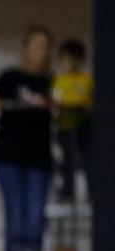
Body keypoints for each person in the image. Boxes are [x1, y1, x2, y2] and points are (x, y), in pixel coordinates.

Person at [0, 26, 54, 251]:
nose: (40, 51)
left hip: (39, 157)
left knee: (36, 211)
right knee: (15, 209)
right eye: (35, 45)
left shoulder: (51, 82)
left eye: (44, 46)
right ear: (25, 49)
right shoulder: (10, 77)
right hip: (8, 154)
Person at [53, 38, 93, 203]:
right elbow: (55, 102)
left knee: (89, 160)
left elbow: (89, 102)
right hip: (65, 127)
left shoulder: (87, 80)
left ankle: (93, 193)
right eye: (66, 59)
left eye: (73, 59)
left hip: (84, 126)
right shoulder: (58, 81)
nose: (69, 63)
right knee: (67, 161)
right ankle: (67, 192)